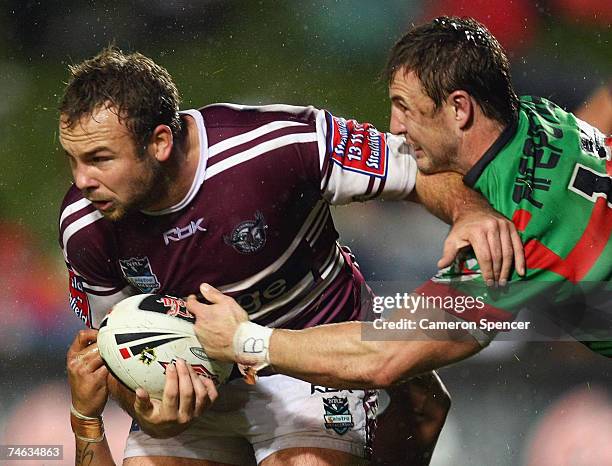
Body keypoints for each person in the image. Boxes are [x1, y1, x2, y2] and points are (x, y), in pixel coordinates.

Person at [59, 47, 523, 465]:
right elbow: (113, 350)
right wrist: (153, 411)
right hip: (193, 377)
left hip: (309, 357)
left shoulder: (277, 145)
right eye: (73, 160)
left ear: (160, 143)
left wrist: (470, 210)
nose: (81, 181)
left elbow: (414, 167)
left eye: (99, 159)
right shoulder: (84, 228)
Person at [189, 16, 611, 391]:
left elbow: (384, 357)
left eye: (404, 107)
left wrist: (249, 339)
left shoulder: (505, 242)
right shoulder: (541, 115)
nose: (395, 126)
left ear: (459, 108)